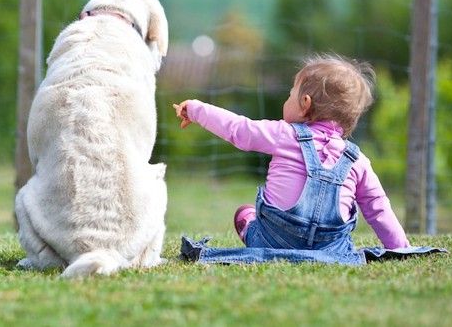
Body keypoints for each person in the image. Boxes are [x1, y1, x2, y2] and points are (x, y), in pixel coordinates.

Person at [173, 53, 410, 253]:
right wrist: (400, 248)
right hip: (329, 251)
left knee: (245, 213)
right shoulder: (358, 160)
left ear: (305, 104)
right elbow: (377, 205)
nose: (286, 100)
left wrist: (196, 109)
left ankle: (253, 234)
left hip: (274, 244)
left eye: (290, 95)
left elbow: (239, 130)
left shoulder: (284, 134)